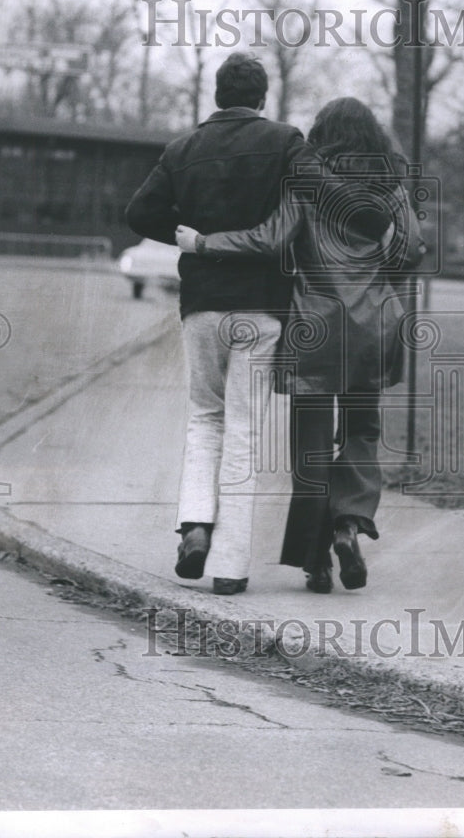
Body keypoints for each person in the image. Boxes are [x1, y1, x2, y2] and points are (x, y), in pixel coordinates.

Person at [176, 97, 424, 593]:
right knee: (362, 428)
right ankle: (348, 524)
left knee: (310, 446)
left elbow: (270, 239)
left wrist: (204, 244)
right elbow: (411, 250)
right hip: (374, 326)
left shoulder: (308, 183)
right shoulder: (392, 183)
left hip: (315, 326)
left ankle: (317, 563)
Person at [125, 53, 310, 595]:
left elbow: (138, 214)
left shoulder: (183, 148)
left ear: (216, 94)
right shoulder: (286, 141)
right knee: (244, 432)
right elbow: (307, 205)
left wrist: (188, 236)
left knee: (204, 419)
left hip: (202, 302)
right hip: (261, 306)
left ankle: (196, 525)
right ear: (261, 97)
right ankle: (230, 569)